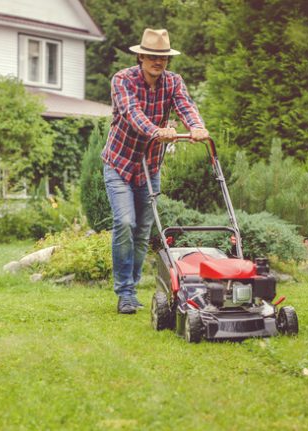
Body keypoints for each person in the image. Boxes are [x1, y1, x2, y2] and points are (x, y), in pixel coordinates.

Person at [101, 28, 209, 314]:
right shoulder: (123, 80)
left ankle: (132, 290)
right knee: (125, 223)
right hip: (119, 164)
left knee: (142, 231)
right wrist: (156, 131)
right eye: (152, 56)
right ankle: (124, 292)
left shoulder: (173, 82)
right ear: (141, 56)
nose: (158, 62)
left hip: (149, 166)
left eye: (163, 57)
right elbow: (132, 113)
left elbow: (186, 105)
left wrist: (196, 127)